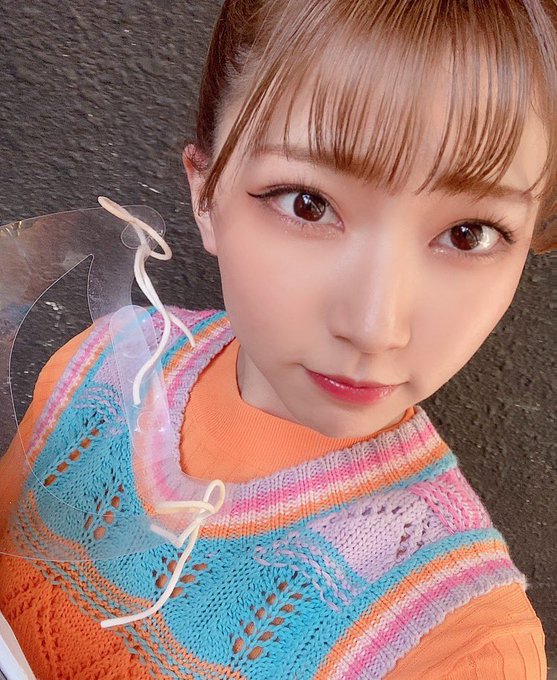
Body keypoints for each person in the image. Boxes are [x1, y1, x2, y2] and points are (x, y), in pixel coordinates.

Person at [0, 0, 555, 677]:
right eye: (307, 204)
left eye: (469, 234)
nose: (375, 327)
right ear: (205, 196)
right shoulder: (100, 367)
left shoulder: (462, 649)